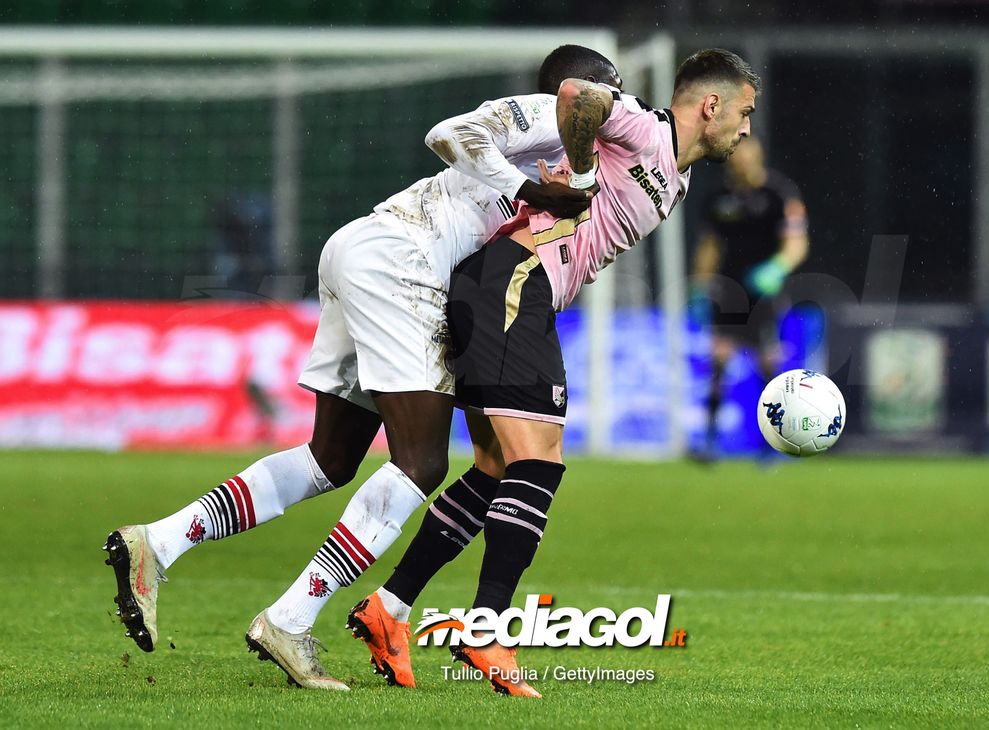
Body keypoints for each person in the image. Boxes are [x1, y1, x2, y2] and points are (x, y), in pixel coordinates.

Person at [103, 45, 623, 692]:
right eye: (612, 91)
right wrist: (525, 188)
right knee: (422, 462)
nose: (619, 105)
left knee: (330, 458)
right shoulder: (548, 112)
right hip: (401, 265)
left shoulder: (580, 163)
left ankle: (160, 542)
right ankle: (291, 619)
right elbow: (450, 132)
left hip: (369, 251)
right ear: (580, 91)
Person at [351, 48, 759, 698]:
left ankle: (390, 609)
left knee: (493, 469)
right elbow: (576, 94)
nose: (745, 130)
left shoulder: (675, 176)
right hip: (512, 282)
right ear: (711, 105)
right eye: (743, 112)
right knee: (539, 463)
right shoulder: (644, 128)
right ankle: (487, 628)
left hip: (506, 289)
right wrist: (585, 164)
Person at [689, 136, 809, 460]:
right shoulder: (719, 198)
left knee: (767, 365)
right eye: (735, 157)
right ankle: (710, 444)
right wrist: (700, 288)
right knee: (719, 360)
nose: (739, 162)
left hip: (764, 291)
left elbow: (797, 242)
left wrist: (777, 267)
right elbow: (709, 247)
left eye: (746, 157)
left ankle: (773, 444)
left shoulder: (779, 193)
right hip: (726, 291)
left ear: (758, 158)